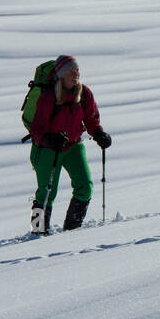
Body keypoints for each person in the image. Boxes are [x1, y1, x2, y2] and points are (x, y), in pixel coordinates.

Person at [27, 55, 111, 233]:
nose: (75, 74)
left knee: (85, 187)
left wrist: (98, 133)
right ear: (61, 75)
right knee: (46, 193)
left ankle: (72, 232)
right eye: (70, 71)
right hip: (47, 150)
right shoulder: (48, 96)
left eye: (77, 70)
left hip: (73, 146)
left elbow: (91, 119)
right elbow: (37, 128)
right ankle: (37, 231)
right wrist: (49, 139)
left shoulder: (84, 93)